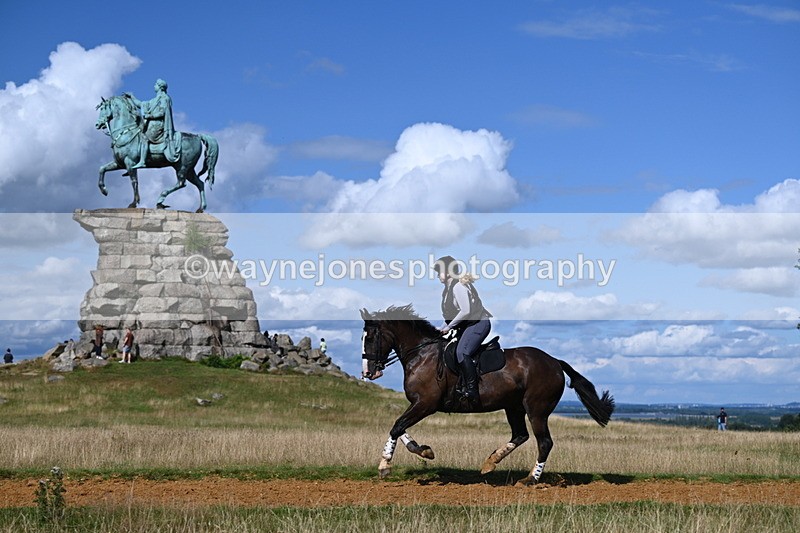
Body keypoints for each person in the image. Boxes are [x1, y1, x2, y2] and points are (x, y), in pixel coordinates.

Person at [433, 255, 492, 406]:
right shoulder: (447, 289)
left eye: (439, 271)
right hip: (468, 325)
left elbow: (465, 311)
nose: (437, 275)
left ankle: (472, 390)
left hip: (478, 323)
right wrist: (442, 328)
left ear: (447, 272)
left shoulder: (458, 286)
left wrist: (448, 327)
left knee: (461, 352)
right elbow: (452, 315)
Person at [124, 79, 179, 170]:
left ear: (160, 87)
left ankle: (142, 161)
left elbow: (162, 112)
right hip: (151, 124)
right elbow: (141, 104)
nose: (154, 86)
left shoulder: (165, 98)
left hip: (158, 125)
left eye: (155, 84)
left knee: (143, 137)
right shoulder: (154, 100)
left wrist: (150, 116)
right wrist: (132, 97)